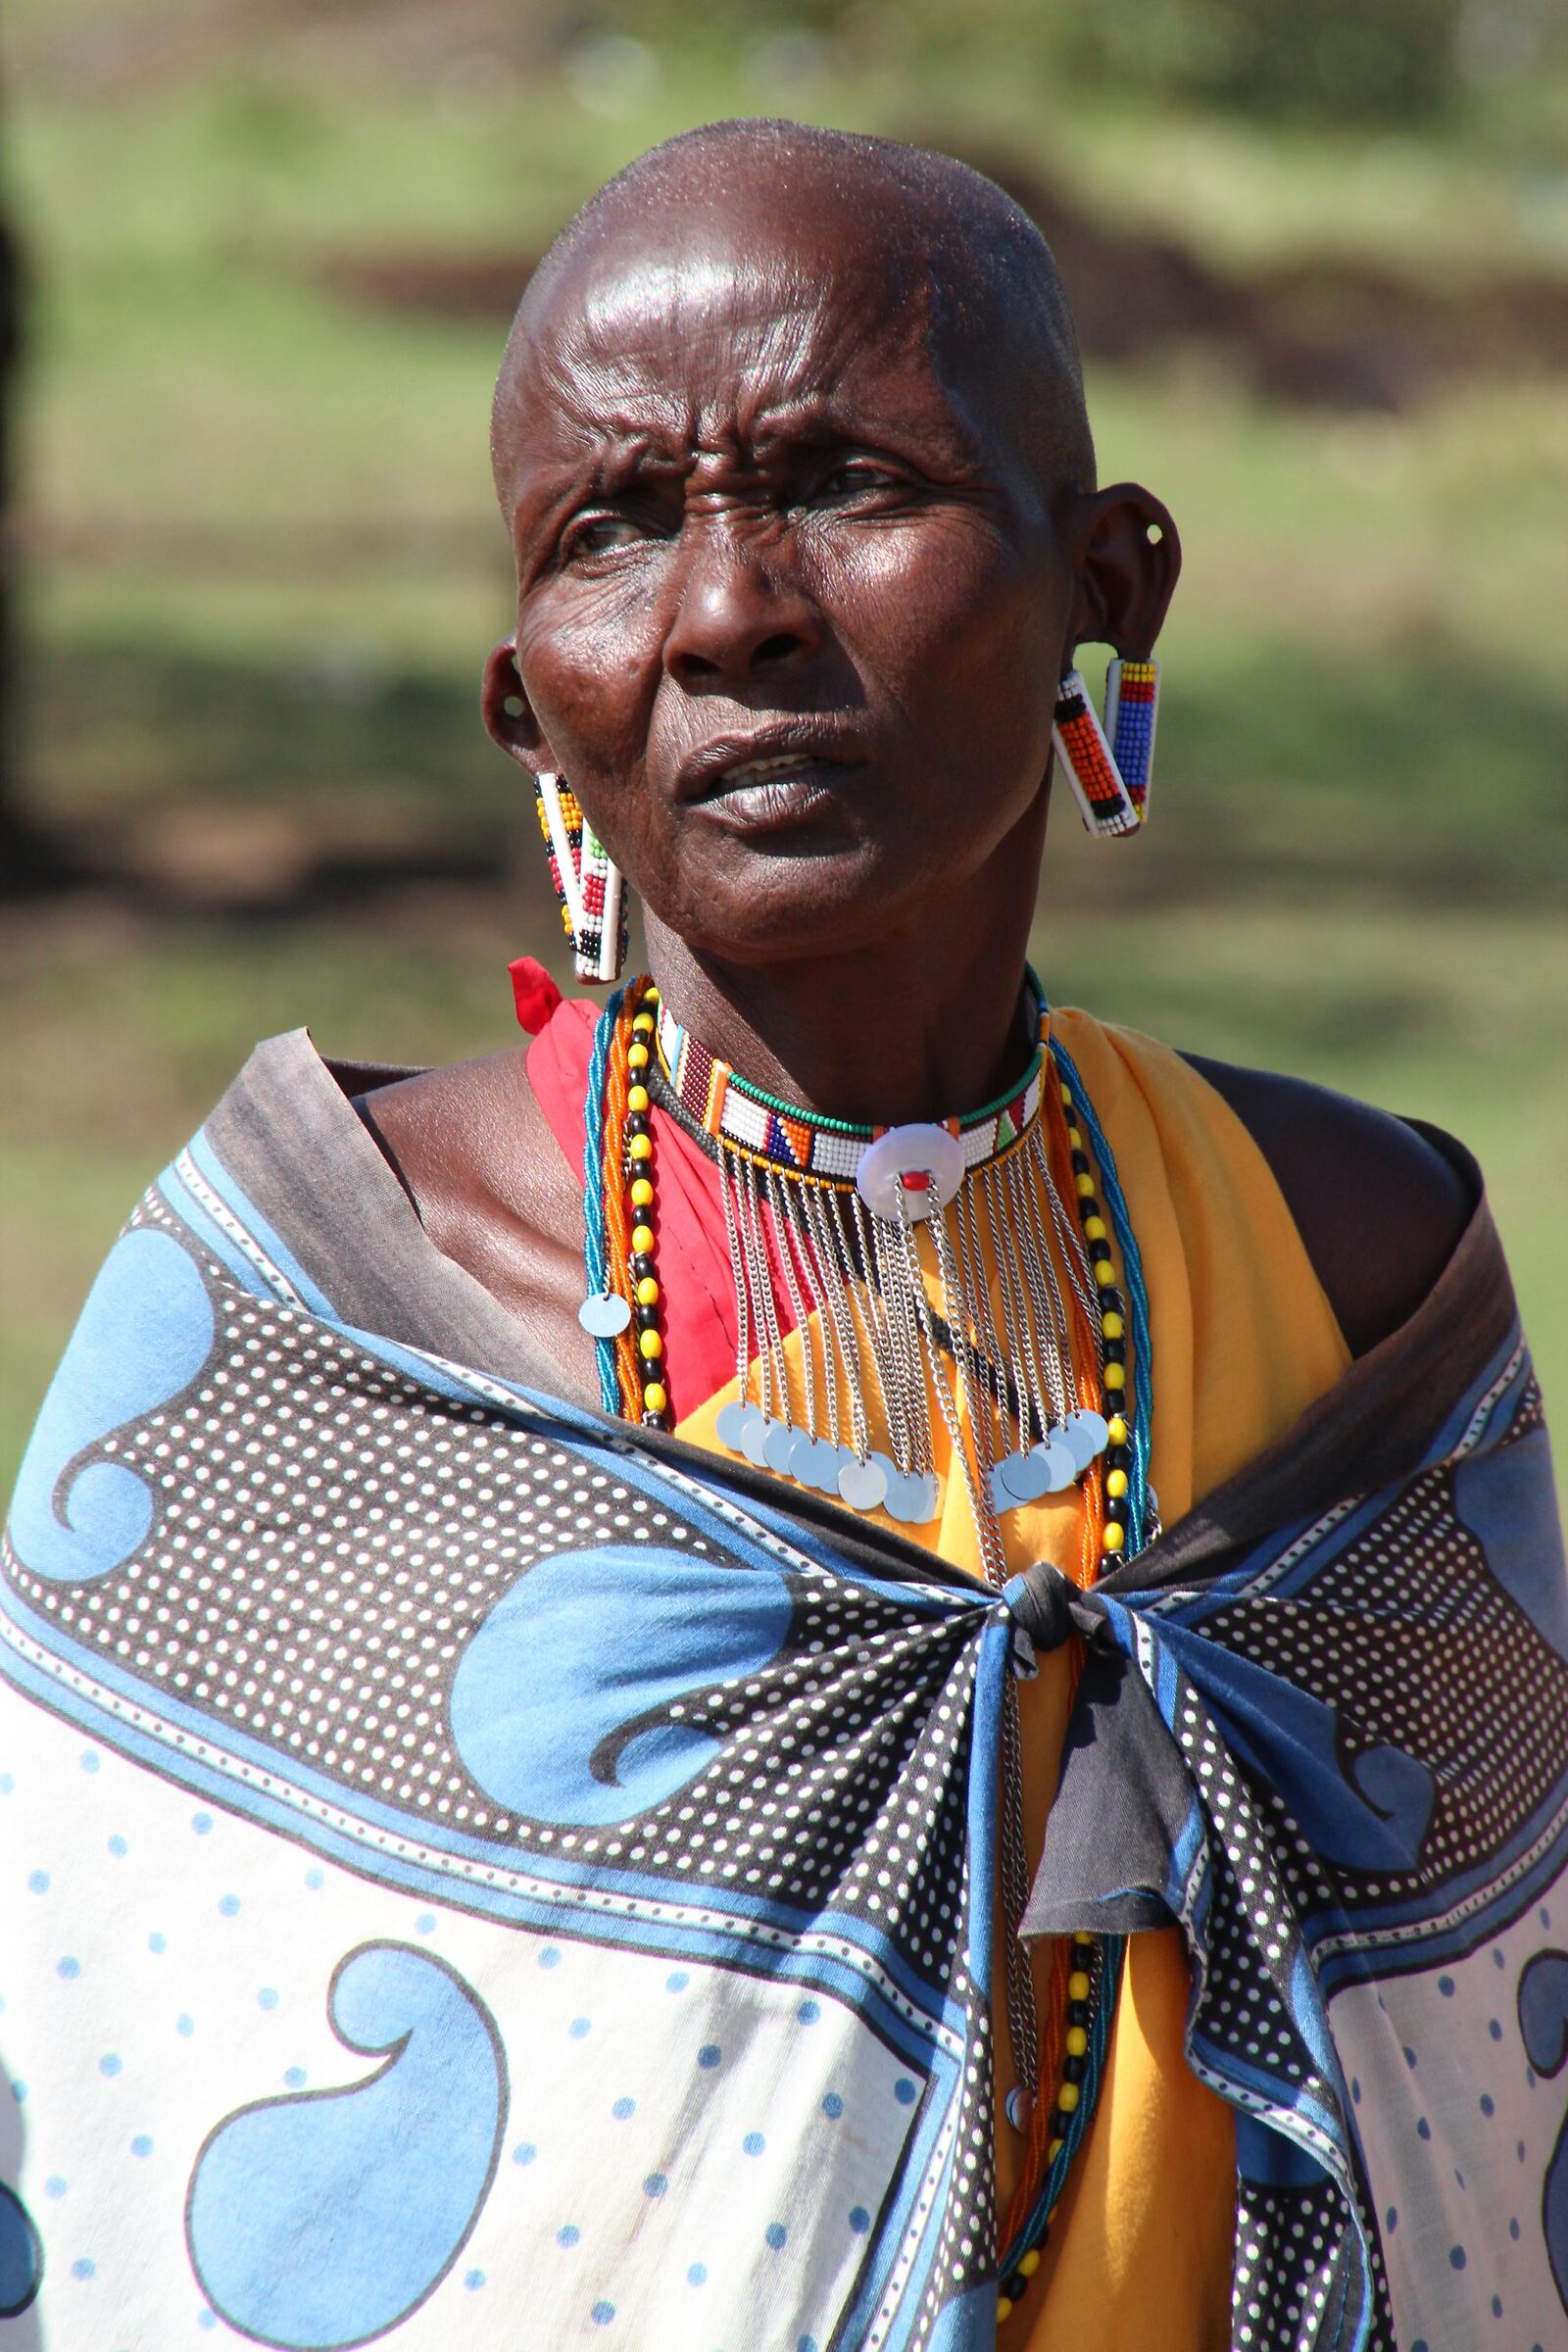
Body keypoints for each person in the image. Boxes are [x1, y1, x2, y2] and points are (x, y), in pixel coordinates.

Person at [2, 120, 1563, 2352]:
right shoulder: (326, 1326)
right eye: (610, 532)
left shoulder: (1353, 1285)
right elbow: (94, 2143)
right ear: (526, 701)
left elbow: (1483, 2155)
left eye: (845, 481)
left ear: (1107, 587)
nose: (727, 614)